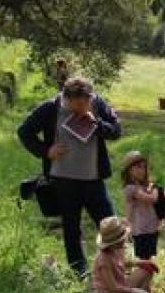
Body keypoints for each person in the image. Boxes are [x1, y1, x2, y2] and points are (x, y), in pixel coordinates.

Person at [17, 77, 121, 275]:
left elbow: (116, 131)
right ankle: (79, 271)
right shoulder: (50, 108)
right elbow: (24, 132)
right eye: (78, 104)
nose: (82, 108)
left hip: (93, 179)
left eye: (86, 102)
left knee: (110, 224)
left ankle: (116, 267)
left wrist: (97, 124)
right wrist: (46, 151)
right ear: (67, 98)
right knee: (71, 227)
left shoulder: (98, 104)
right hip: (63, 180)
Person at [91, 216, 161, 293]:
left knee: (146, 270)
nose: (125, 239)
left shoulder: (115, 249)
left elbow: (121, 262)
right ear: (115, 242)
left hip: (122, 287)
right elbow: (113, 287)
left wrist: (140, 263)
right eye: (122, 238)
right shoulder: (103, 260)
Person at [122, 152, 162, 260]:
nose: (142, 171)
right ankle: (143, 275)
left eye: (144, 167)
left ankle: (147, 275)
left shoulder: (142, 186)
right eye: (138, 167)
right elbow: (151, 199)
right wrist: (156, 190)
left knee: (149, 256)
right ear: (129, 170)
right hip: (140, 229)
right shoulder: (131, 188)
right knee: (143, 257)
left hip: (150, 227)